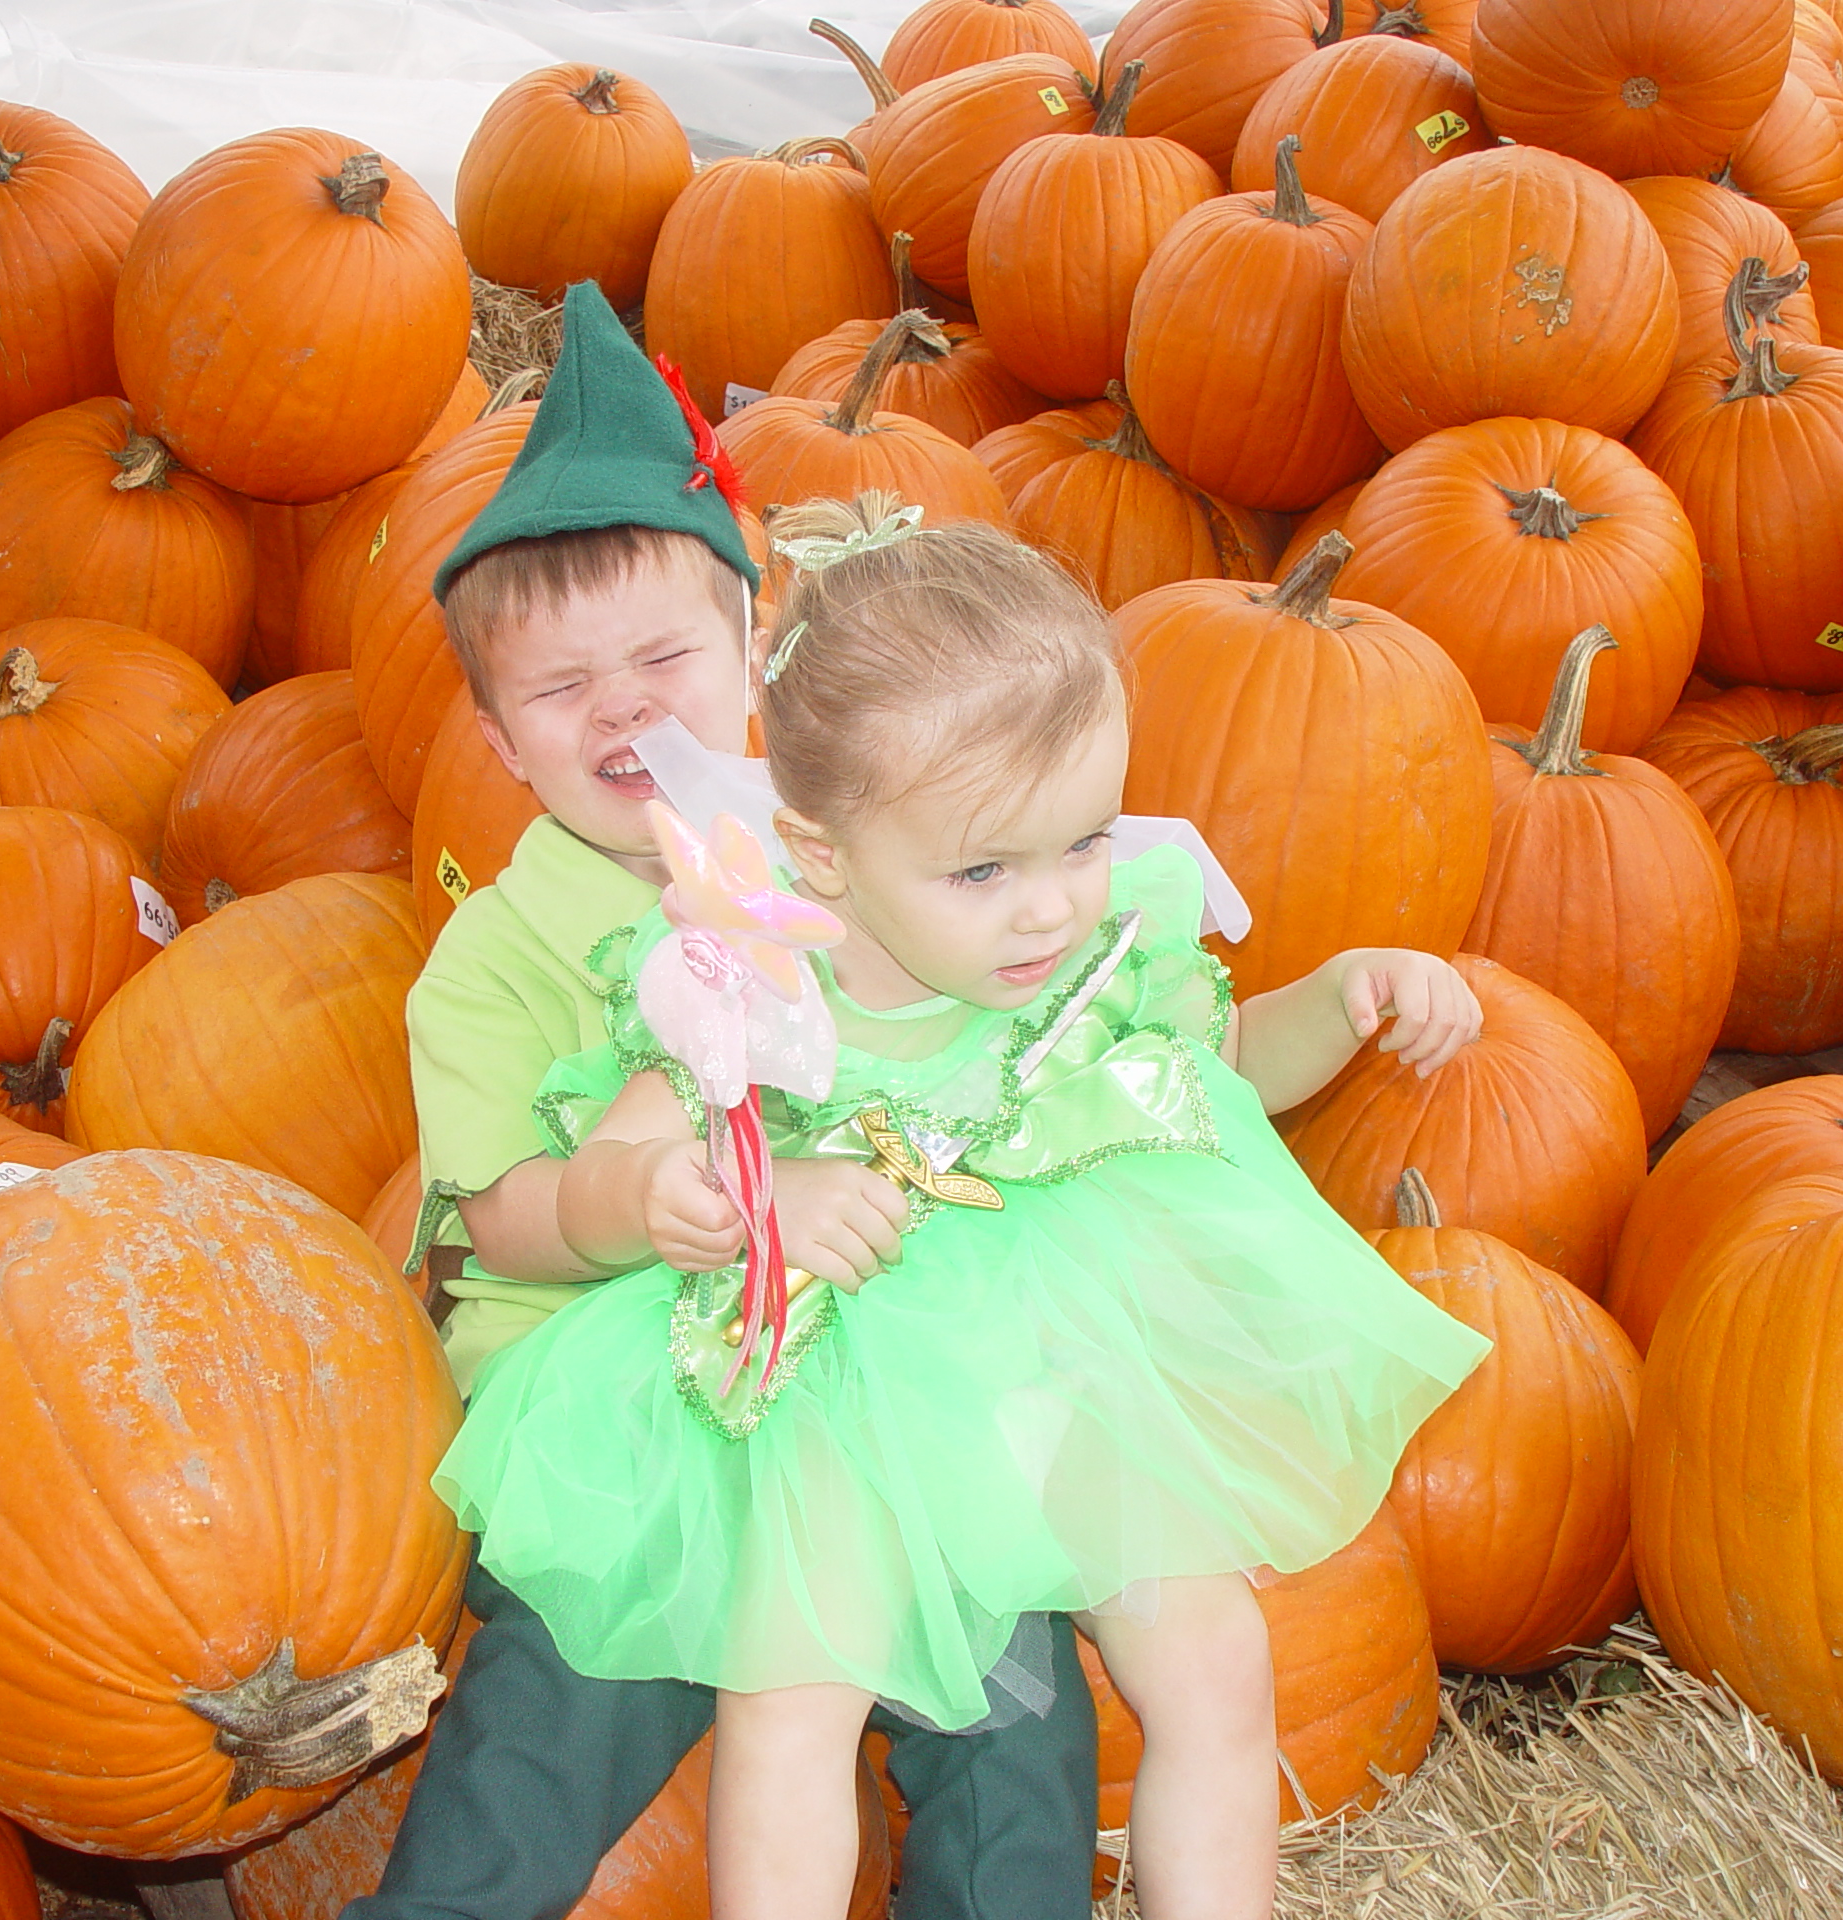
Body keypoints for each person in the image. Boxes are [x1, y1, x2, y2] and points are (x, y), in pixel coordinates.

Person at [435, 491, 1497, 1920]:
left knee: (1215, 1665)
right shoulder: (749, 983)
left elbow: (1210, 1069)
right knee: (791, 1701)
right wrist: (724, 1198)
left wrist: (1343, 998)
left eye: (1083, 841)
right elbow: (622, 1158)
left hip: (1058, 1365)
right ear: (823, 854)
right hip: (841, 1402)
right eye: (987, 870)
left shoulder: (1084, 955)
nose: (1051, 906)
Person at [350, 287, 1102, 1920]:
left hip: (878, 1399)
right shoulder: (487, 967)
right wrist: (639, 1203)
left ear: (755, 644)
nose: (622, 710)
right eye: (561, 689)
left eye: (665, 656)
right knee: (551, 1723)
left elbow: (989, 1025)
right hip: (628, 1424)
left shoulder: (850, 851)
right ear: (492, 732)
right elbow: (495, 1224)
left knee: (1012, 1698)